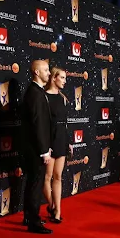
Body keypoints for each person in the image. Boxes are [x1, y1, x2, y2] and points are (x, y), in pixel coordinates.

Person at [21, 60, 54, 233]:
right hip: (35, 150)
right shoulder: (35, 93)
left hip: (34, 148)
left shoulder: (36, 92)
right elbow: (38, 125)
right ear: (36, 72)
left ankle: (28, 217)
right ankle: (34, 222)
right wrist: (44, 151)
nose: (49, 73)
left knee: (32, 183)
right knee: (35, 184)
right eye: (46, 70)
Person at [44, 67, 72, 223]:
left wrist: (68, 142)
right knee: (47, 177)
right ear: (53, 78)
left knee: (58, 176)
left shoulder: (63, 98)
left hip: (61, 138)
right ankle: (52, 205)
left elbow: (65, 124)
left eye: (65, 78)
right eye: (62, 77)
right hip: (49, 139)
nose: (64, 80)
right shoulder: (44, 97)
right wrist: (45, 146)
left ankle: (57, 212)